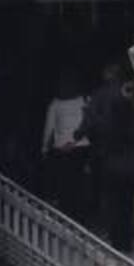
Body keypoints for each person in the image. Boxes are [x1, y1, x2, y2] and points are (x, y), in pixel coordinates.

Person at [78, 58, 134, 252]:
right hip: (128, 162)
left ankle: (117, 241)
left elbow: (91, 122)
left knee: (113, 202)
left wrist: (81, 133)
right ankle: (125, 241)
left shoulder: (101, 96)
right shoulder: (126, 97)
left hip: (110, 160)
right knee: (126, 203)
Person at [41, 72, 90, 221]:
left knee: (65, 185)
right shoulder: (84, 100)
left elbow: (49, 128)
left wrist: (43, 148)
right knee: (79, 184)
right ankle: (79, 217)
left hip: (63, 148)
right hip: (81, 147)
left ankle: (68, 217)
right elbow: (90, 123)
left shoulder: (56, 103)